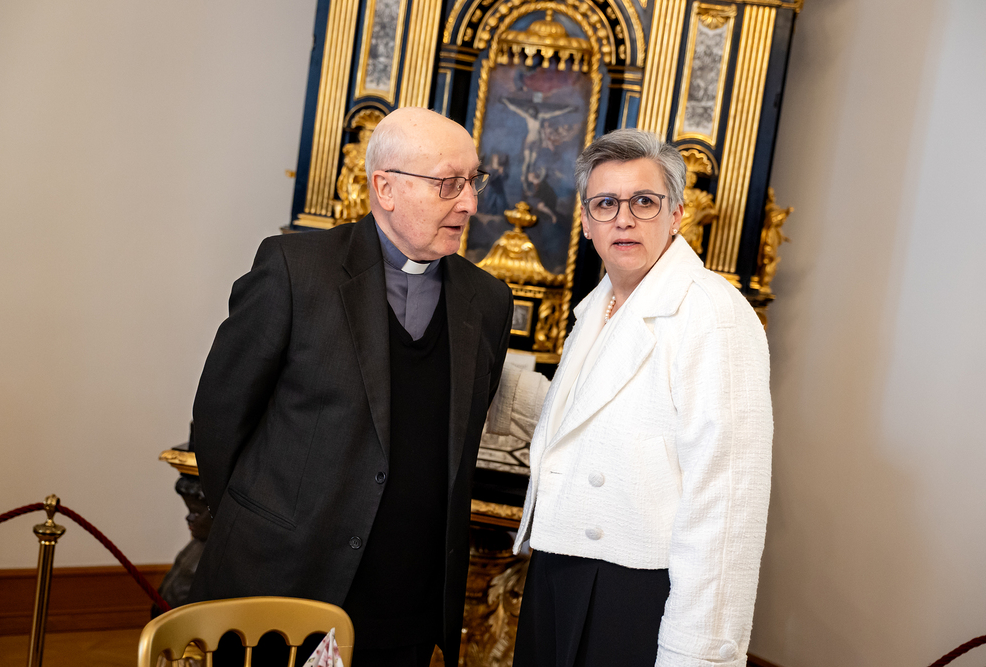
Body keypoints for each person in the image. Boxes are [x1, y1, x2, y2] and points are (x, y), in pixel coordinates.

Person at [188, 107, 514, 667]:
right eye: (448, 184)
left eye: (473, 181)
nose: (469, 203)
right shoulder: (295, 270)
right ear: (385, 188)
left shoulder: (487, 301)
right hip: (280, 585)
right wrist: (264, 528)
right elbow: (220, 420)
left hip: (406, 602)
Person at [504, 129, 773, 666]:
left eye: (644, 202)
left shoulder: (714, 314)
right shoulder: (600, 304)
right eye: (605, 203)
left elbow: (726, 504)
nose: (623, 219)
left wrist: (696, 654)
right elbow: (594, 424)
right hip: (557, 569)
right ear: (586, 222)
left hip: (635, 591)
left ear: (676, 215)